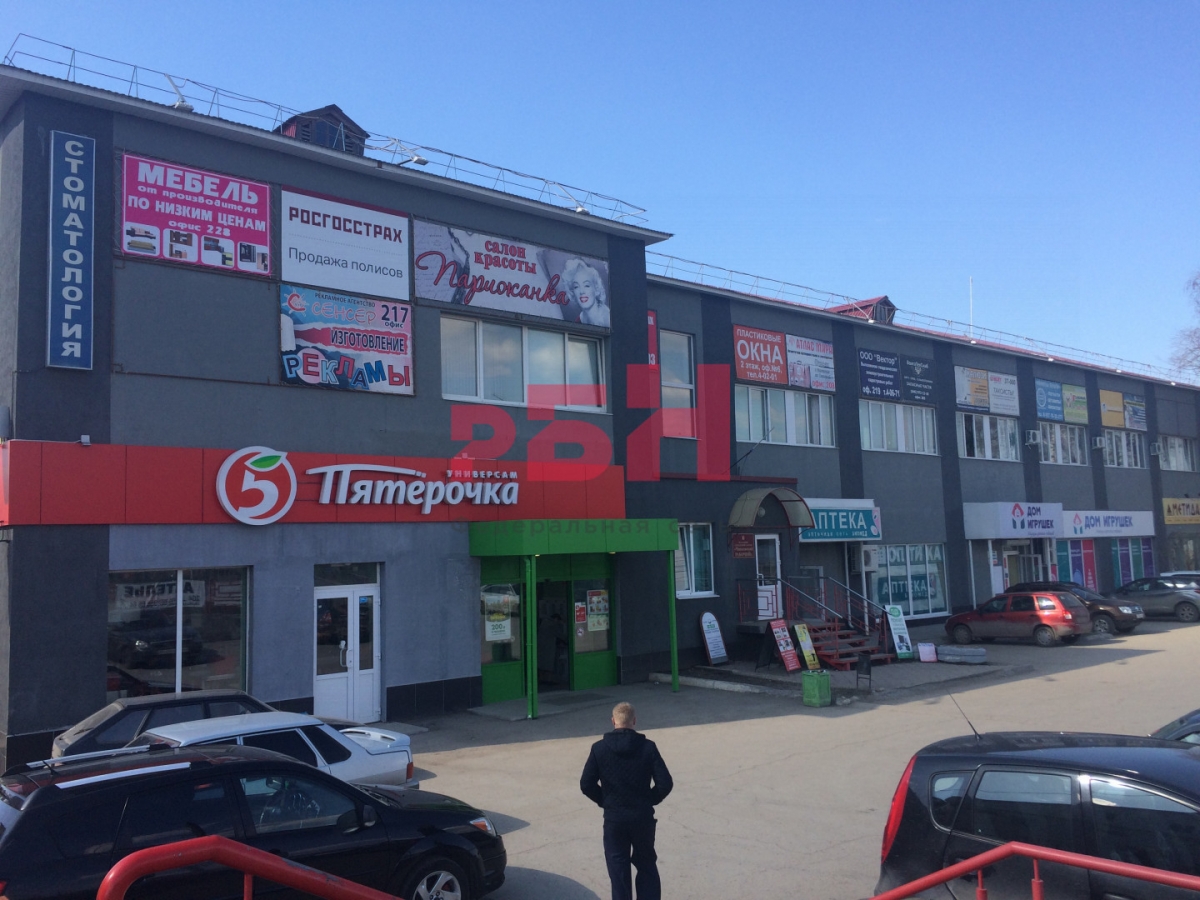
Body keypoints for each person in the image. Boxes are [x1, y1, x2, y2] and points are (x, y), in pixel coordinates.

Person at [580, 701, 673, 900]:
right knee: (646, 865)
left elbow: (586, 784)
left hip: (615, 820)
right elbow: (665, 783)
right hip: (642, 818)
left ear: (613, 721)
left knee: (618, 870)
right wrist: (648, 800)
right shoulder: (648, 747)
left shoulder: (599, 749)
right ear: (634, 721)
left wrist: (606, 801)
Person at [563, 258, 610, 327]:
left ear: (596, 289)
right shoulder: (578, 321)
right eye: (576, 287)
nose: (581, 291)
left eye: (586, 285)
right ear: (572, 292)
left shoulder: (609, 320)